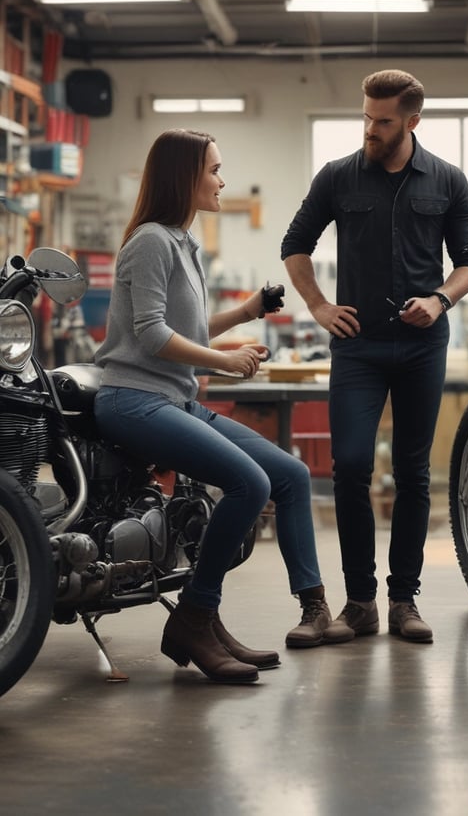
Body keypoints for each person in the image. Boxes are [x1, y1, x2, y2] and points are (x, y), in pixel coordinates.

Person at [94, 128, 353, 684]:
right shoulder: (149, 241)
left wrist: (242, 318)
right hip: (133, 399)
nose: (222, 179)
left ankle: (312, 607)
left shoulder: (184, 244)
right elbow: (149, 335)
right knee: (249, 484)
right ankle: (195, 615)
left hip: (174, 399)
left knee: (287, 473)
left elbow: (181, 328)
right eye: (213, 169)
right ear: (184, 176)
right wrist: (221, 362)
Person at [281, 69, 468, 643]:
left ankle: (404, 601)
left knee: (413, 474)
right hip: (358, 347)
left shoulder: (447, 180)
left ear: (412, 120)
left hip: (422, 346)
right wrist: (319, 305)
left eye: (383, 120)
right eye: (366, 116)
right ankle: (360, 602)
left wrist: (441, 299)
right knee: (349, 466)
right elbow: (294, 245)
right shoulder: (339, 177)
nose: (371, 127)